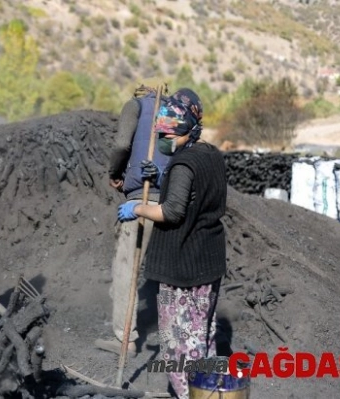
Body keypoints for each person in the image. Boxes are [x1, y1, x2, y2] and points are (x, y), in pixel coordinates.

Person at [117, 88, 227, 399]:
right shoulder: (212, 155)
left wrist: (137, 208)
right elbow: (196, 193)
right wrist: (164, 178)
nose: (164, 138)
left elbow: (172, 211)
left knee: (180, 346)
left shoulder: (182, 165)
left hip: (183, 267)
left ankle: (188, 395)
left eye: (169, 133)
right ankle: (213, 392)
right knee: (203, 336)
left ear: (186, 130)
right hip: (209, 261)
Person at [95, 85, 172, 355]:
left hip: (141, 198)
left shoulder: (135, 105)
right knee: (165, 272)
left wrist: (115, 172)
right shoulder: (169, 110)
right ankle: (174, 337)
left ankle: (124, 339)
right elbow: (171, 151)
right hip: (168, 202)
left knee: (127, 268)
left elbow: (121, 144)